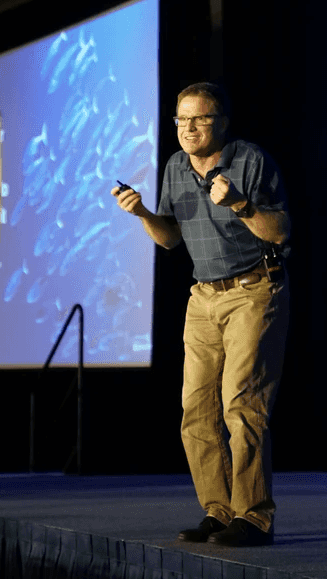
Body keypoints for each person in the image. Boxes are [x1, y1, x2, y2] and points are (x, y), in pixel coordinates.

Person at [111, 82, 290, 547]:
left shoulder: (250, 161)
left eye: (201, 118)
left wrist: (239, 203)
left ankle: (253, 517)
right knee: (196, 408)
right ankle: (219, 510)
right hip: (203, 297)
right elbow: (170, 238)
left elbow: (279, 232)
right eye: (182, 120)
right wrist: (144, 213)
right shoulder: (175, 166)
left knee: (241, 403)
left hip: (253, 289)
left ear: (222, 123)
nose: (189, 128)